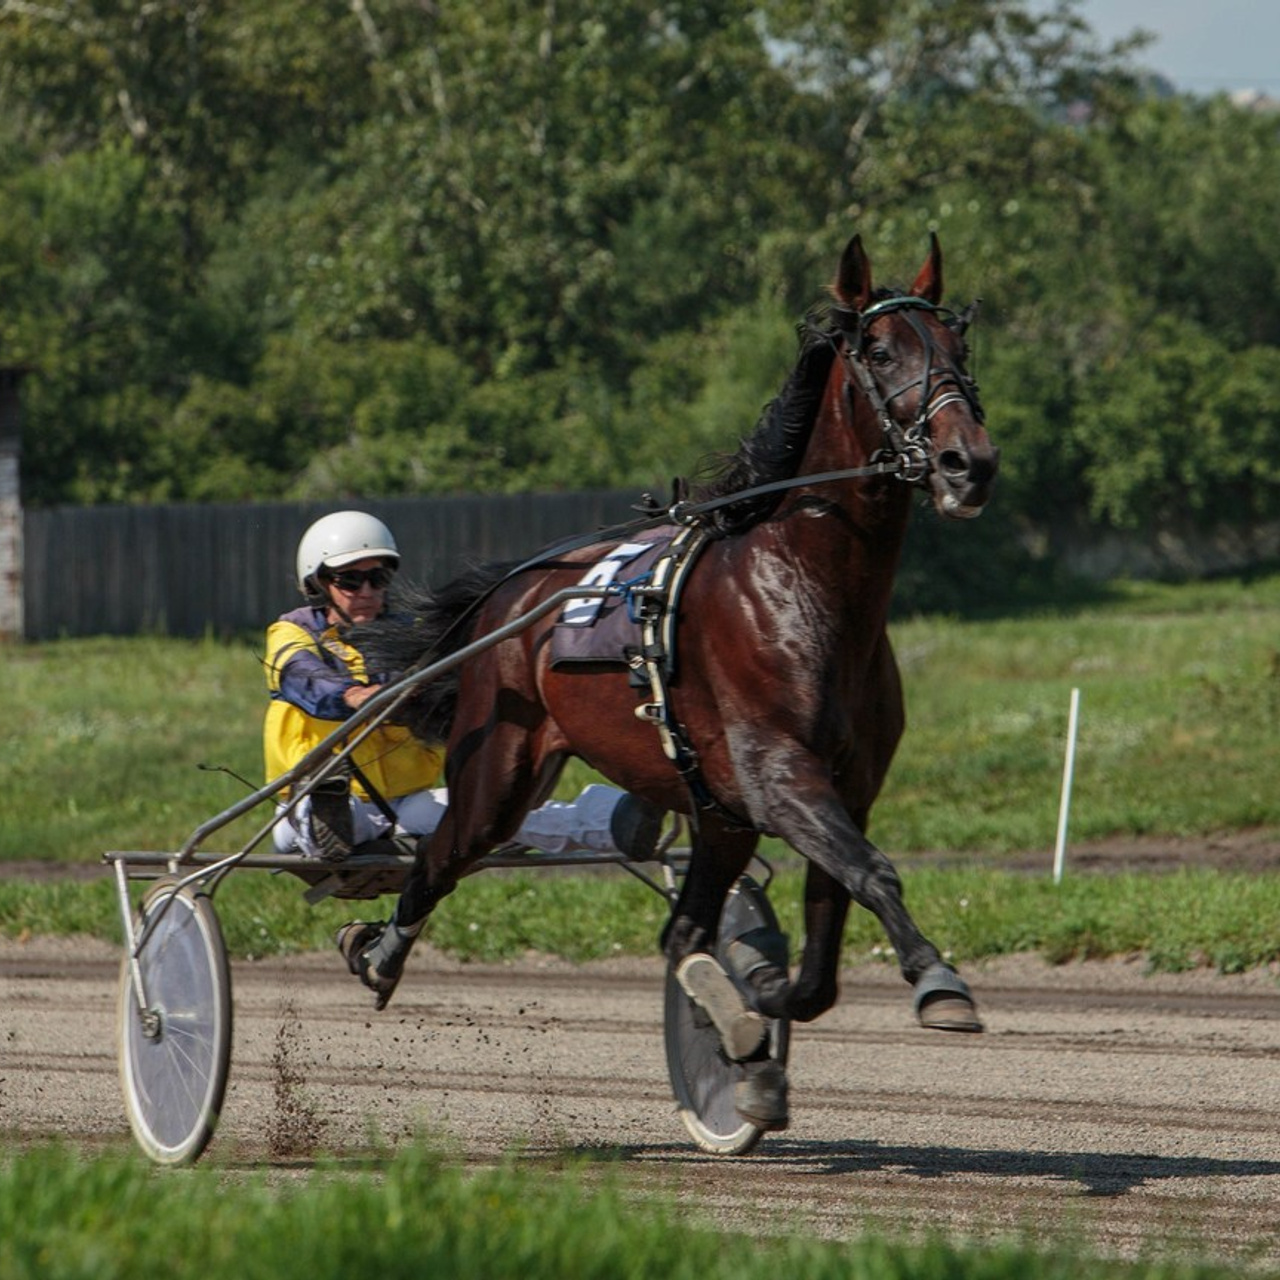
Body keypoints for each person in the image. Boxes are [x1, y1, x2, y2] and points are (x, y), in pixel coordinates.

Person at [264, 510, 665, 865]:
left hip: (405, 803)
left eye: (378, 578)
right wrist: (356, 696)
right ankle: (326, 816)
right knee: (323, 815)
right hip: (313, 800)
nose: (367, 591)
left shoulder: (410, 635)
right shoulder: (292, 633)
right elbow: (302, 678)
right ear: (318, 583)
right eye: (350, 581)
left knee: (489, 810)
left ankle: (616, 816)